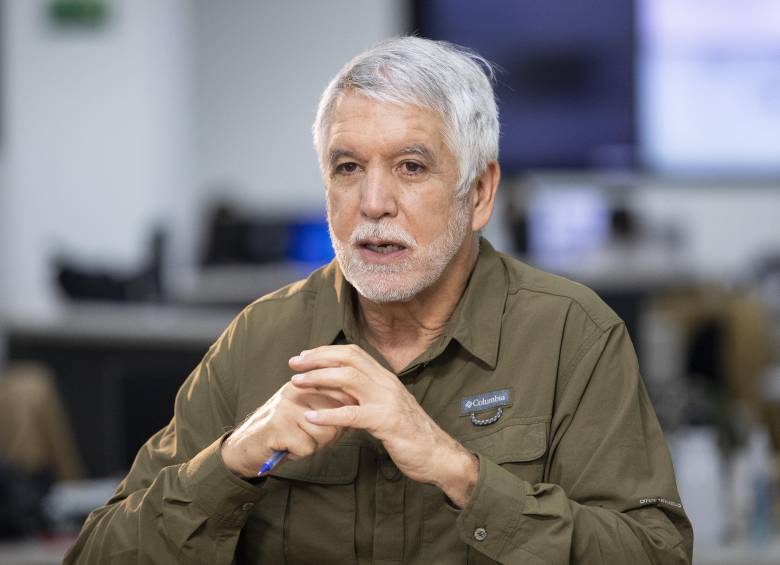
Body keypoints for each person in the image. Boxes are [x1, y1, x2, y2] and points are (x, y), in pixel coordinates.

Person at [65, 37, 693, 564]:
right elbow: (94, 555)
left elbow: (655, 554)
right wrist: (232, 462)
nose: (372, 203)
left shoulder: (571, 335)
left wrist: (460, 472)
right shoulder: (261, 338)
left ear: (478, 192)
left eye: (411, 167)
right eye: (347, 168)